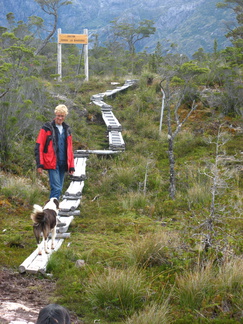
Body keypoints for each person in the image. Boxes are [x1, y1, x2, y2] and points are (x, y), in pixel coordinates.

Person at [35, 104, 75, 200]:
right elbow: (39, 146)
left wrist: (71, 166)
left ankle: (51, 212)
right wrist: (39, 164)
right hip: (51, 163)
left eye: (62, 116)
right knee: (56, 189)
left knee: (59, 189)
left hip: (63, 163)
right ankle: (51, 211)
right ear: (55, 114)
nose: (60, 118)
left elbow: (70, 149)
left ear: (65, 116)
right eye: (58, 115)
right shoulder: (47, 128)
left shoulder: (67, 129)